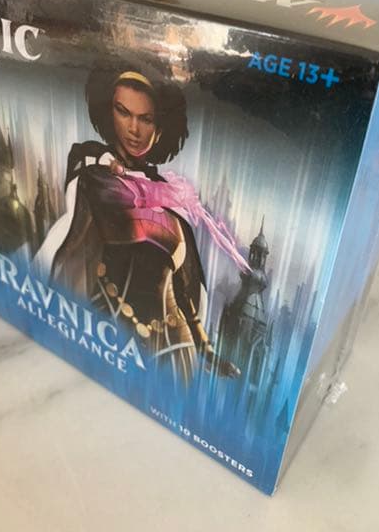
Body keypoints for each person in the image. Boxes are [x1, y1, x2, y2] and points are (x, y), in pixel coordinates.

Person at [36, 64, 246, 385]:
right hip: (109, 333)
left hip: (176, 354)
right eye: (123, 112)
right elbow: (104, 208)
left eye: (146, 119)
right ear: (109, 112)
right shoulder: (93, 168)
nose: (133, 129)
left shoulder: (171, 198)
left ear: (160, 127)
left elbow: (183, 286)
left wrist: (205, 347)